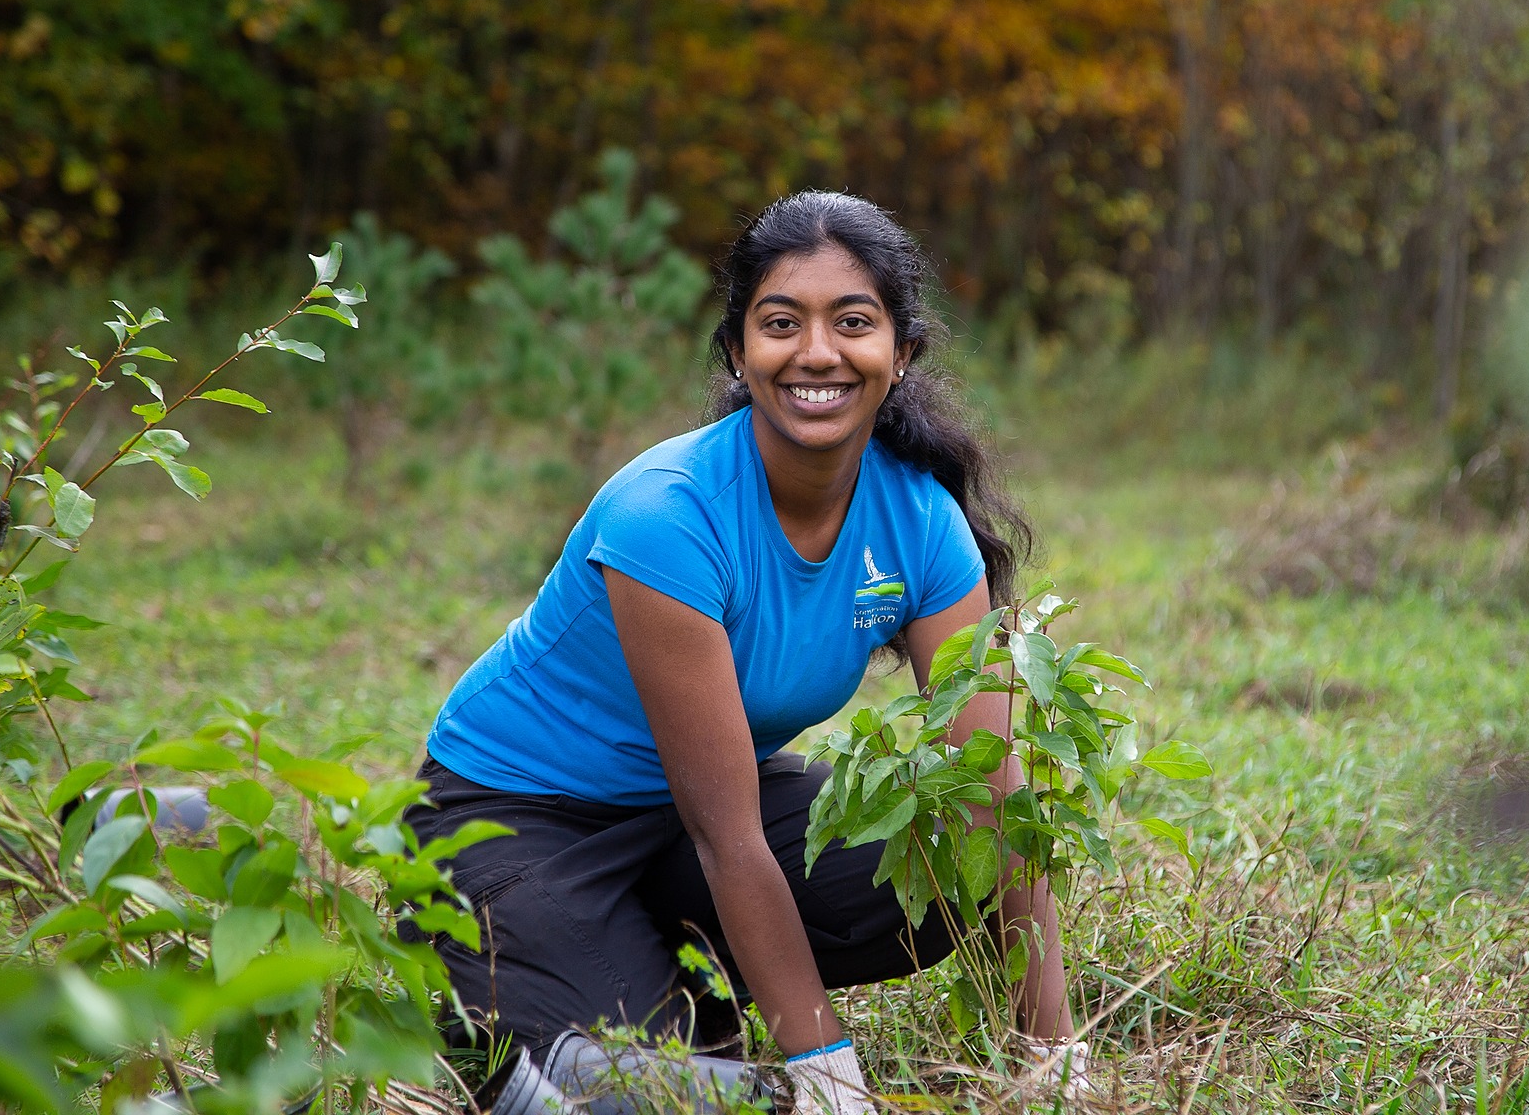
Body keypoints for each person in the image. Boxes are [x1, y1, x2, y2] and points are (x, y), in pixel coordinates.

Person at [407, 192, 1086, 1113]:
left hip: (687, 828)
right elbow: (728, 836)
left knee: (947, 853)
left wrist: (1052, 1059)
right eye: (780, 323)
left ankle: (634, 959)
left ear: (902, 354)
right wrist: (828, 1078)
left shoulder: (921, 520)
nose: (816, 353)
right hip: (518, 817)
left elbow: (992, 796)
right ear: (738, 351)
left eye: (853, 322)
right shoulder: (669, 514)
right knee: (632, 1079)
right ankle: (478, 967)